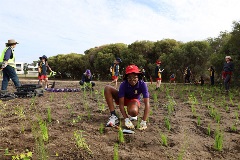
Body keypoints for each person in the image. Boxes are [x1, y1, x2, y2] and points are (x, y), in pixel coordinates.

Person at [104, 64, 150, 130]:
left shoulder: (142, 84)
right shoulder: (124, 85)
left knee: (133, 111)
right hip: (123, 99)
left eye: (135, 77)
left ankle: (133, 115)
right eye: (130, 77)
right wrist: (126, 119)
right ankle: (113, 115)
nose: (132, 79)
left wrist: (144, 121)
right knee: (107, 88)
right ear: (126, 77)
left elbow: (147, 103)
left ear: (138, 76)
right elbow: (121, 104)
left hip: (133, 101)